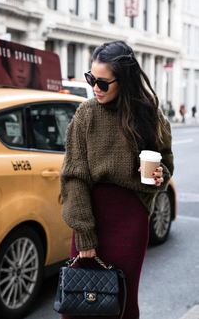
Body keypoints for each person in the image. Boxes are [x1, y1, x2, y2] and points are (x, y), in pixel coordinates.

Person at [60, 40, 174, 319]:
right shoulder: (86, 115)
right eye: (91, 79)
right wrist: (85, 233)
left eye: (102, 83)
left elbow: (166, 163)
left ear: (123, 81)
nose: (95, 88)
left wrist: (161, 176)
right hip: (91, 216)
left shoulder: (148, 116)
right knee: (80, 301)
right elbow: (74, 176)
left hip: (130, 221)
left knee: (121, 301)